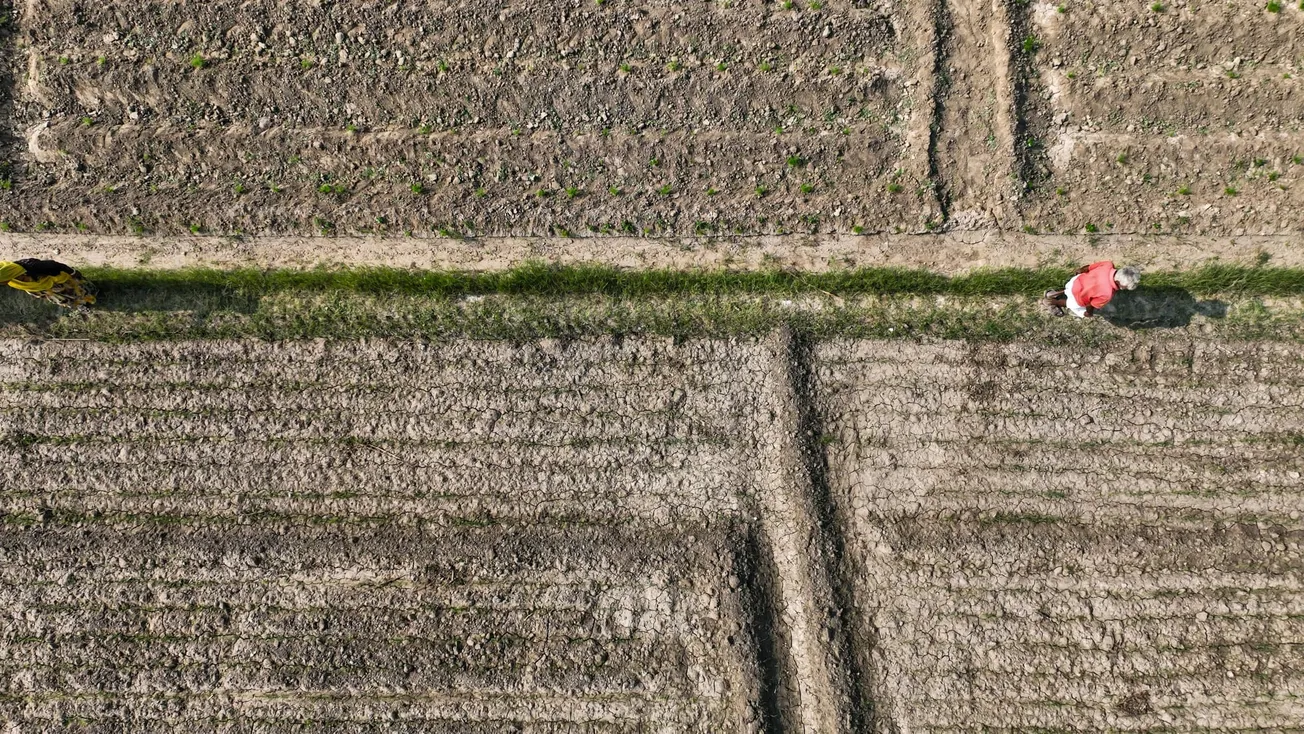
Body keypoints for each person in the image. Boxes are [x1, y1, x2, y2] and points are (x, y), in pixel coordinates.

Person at [1044, 261, 1139, 318]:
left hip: (1076, 281)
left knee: (1072, 288)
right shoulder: (1107, 294)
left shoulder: (1108, 265)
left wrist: (1079, 272)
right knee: (1074, 304)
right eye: (1125, 287)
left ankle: (1053, 293)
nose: (1123, 289)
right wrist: (1088, 313)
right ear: (1118, 282)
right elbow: (1090, 304)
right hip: (1078, 297)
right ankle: (1053, 302)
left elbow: (1088, 268)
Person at [0, 259, 97, 308]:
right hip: (46, 290)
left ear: (7, 275)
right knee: (65, 300)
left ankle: (94, 295)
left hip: (59, 282)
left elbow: (54, 265)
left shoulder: (31, 266)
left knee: (80, 291)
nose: (2, 283)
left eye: (1, 281)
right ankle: (80, 305)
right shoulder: (11, 278)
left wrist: (73, 272)